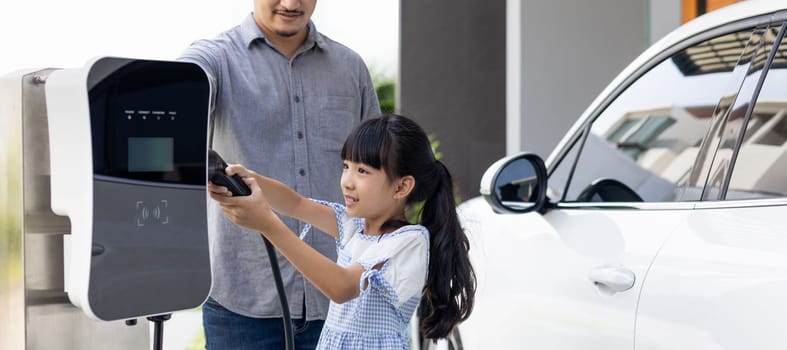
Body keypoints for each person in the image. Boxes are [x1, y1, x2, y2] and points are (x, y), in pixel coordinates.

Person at [179, 0, 381, 348]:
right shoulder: (215, 58)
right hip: (242, 307)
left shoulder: (350, 68)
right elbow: (179, 87)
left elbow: (380, 170)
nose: (291, 3)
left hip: (340, 301)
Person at [209, 114, 476, 349]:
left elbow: (342, 286)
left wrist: (268, 224)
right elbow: (295, 203)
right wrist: (248, 180)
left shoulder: (408, 241)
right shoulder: (354, 226)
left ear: (401, 187)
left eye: (362, 171)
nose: (347, 181)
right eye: (346, 166)